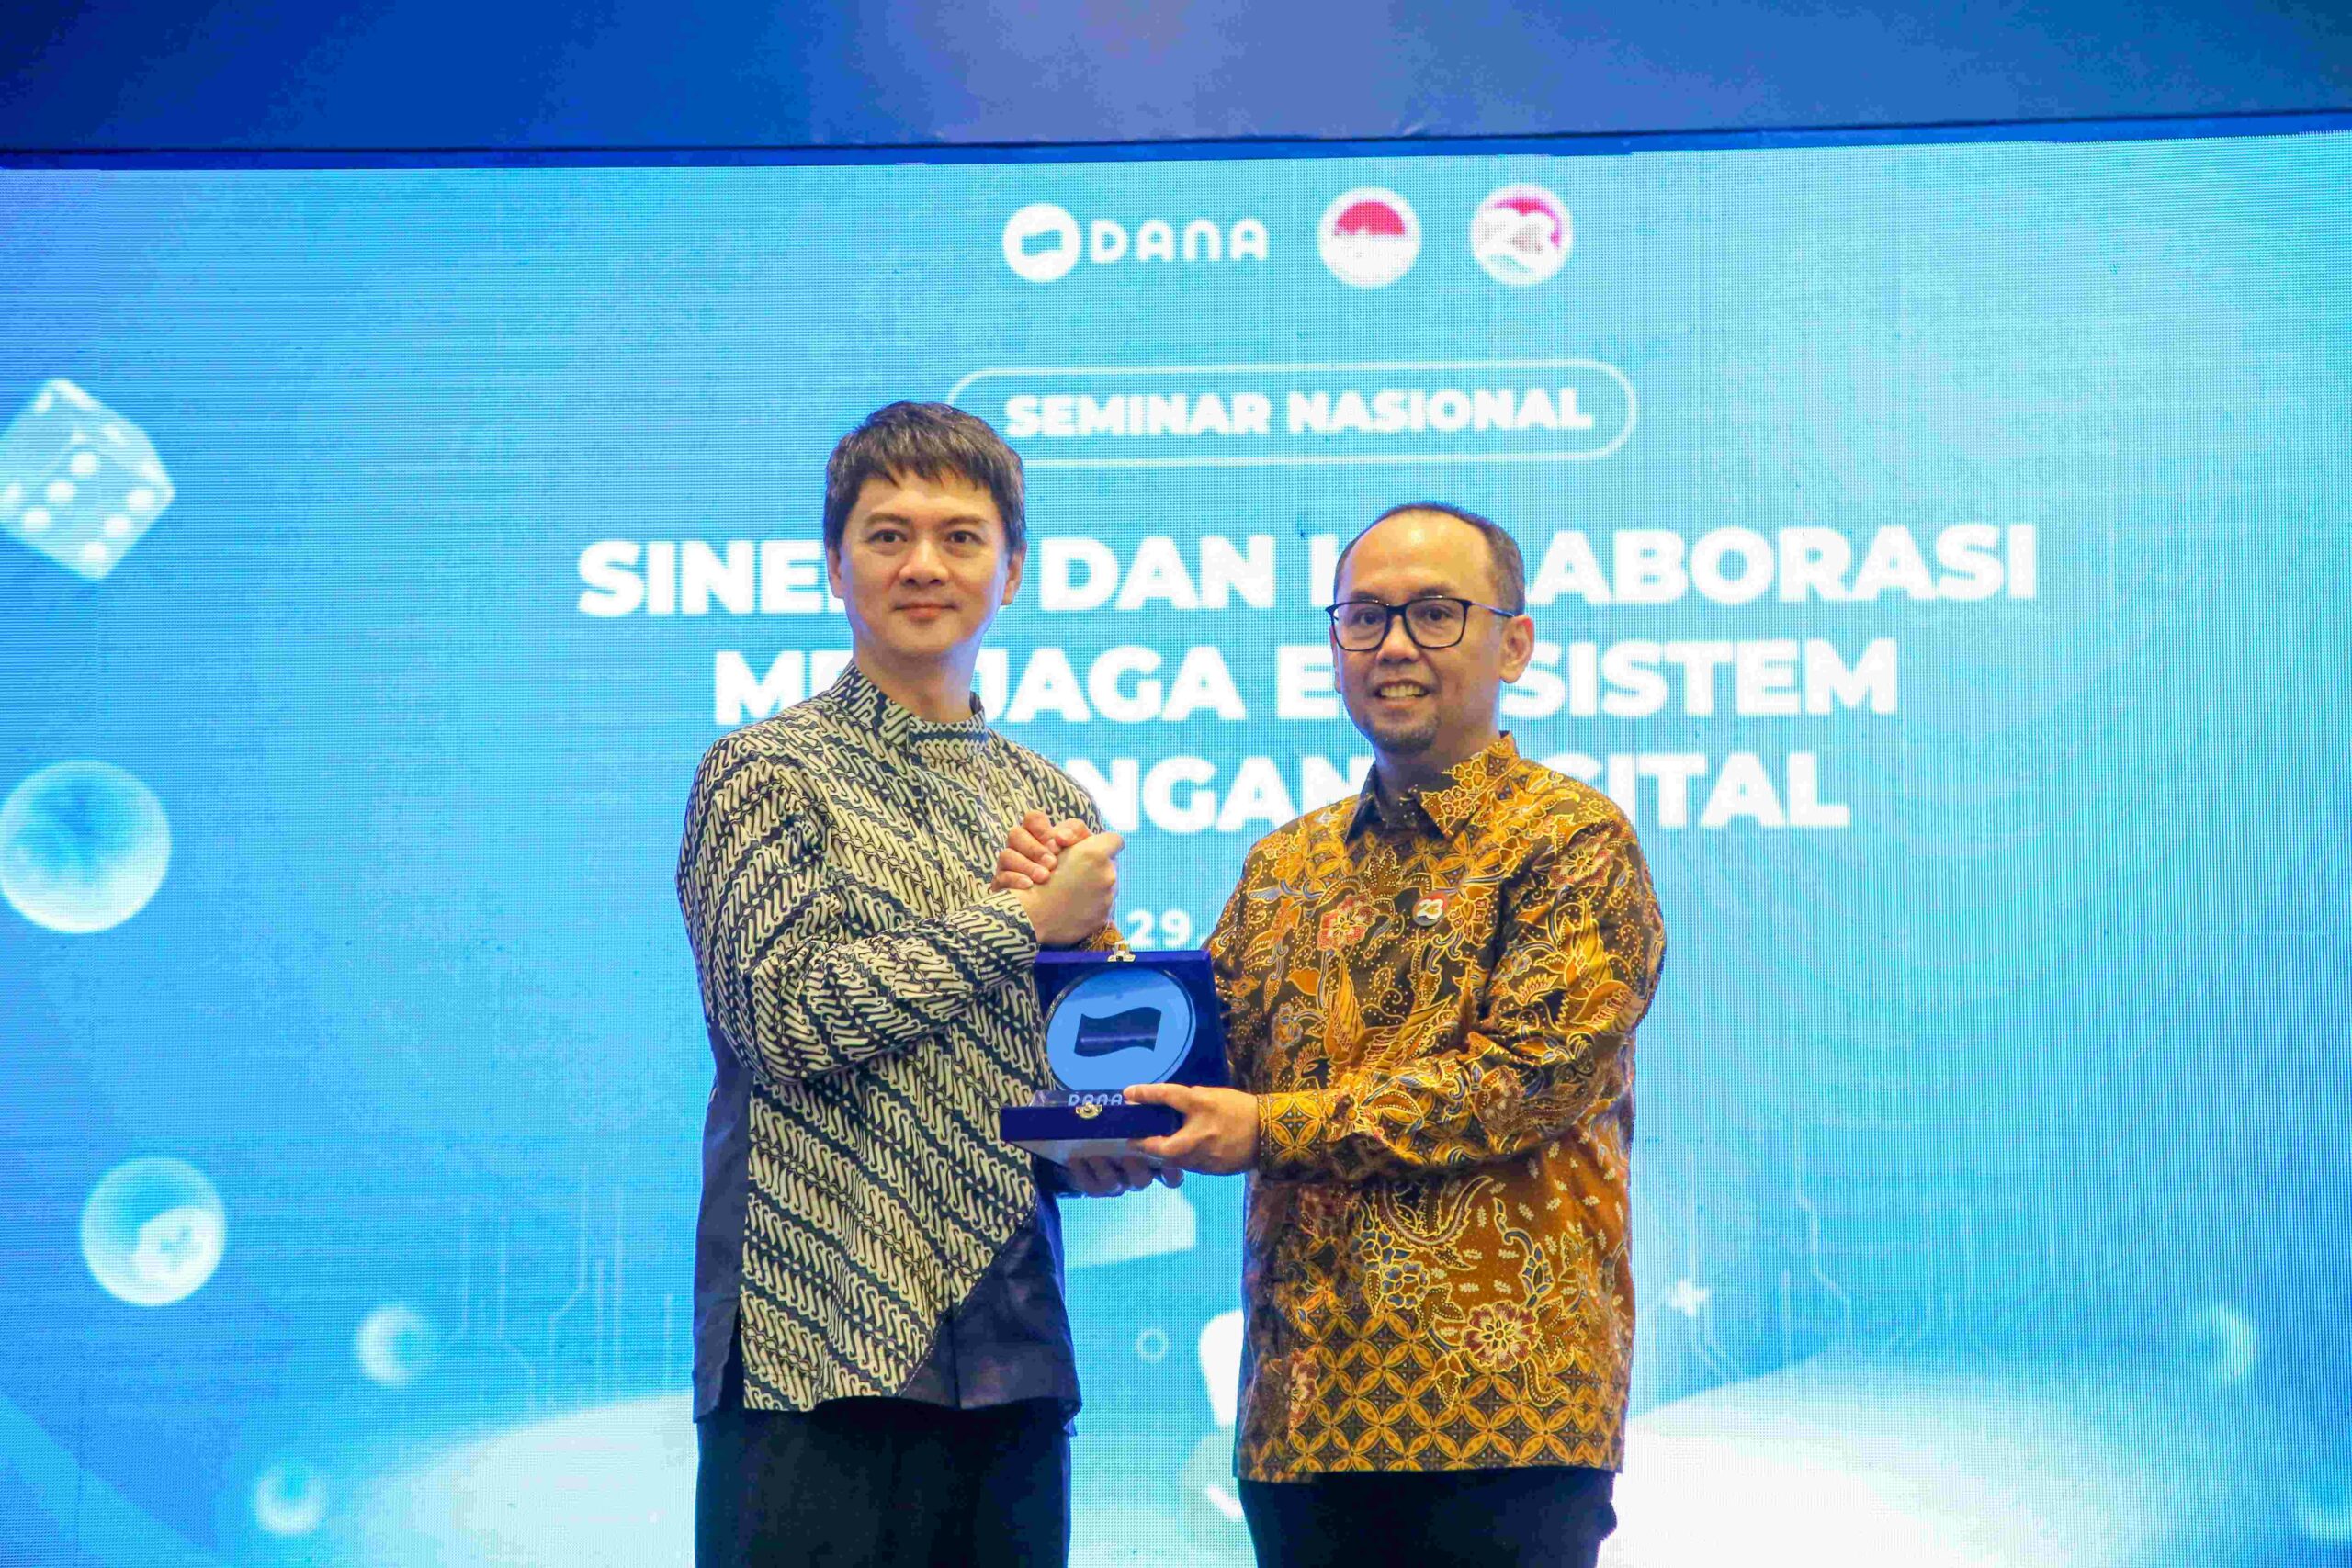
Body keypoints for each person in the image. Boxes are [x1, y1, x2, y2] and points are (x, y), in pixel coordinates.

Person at [999, 502, 1665, 1568]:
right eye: (1365, 617)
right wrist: (1079, 940)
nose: (1394, 645)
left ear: (1515, 644)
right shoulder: (1288, 865)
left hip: (1500, 1419)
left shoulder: (1570, 842)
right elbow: (1202, 1057)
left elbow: (1522, 1081)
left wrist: (1265, 1128)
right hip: (1303, 1414)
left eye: (1435, 614)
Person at [677, 401, 1163, 1568]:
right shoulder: (761, 775)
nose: (923, 565)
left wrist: (1098, 1138)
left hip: (1009, 1346)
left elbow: (1043, 1071)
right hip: (815, 1342)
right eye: (888, 535)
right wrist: (1022, 921)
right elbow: (789, 1019)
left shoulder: (1052, 804)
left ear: (1013, 571)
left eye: (960, 537)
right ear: (833, 563)